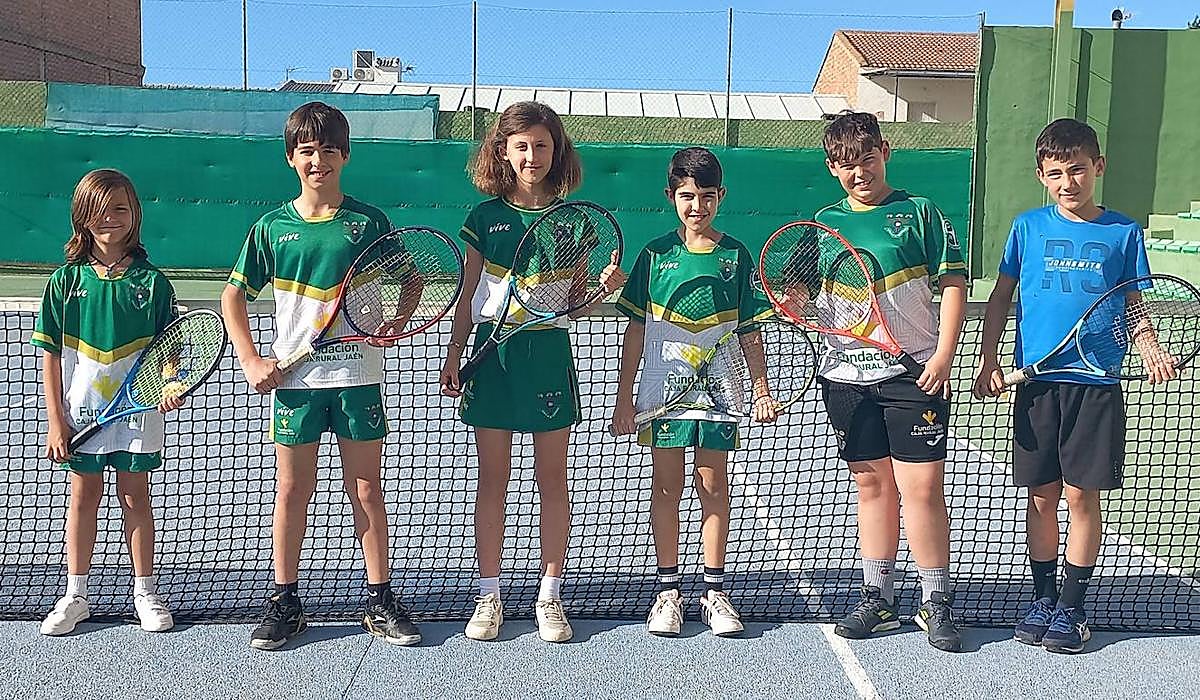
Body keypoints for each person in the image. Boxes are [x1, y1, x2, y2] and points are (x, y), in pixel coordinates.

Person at [220, 101, 419, 650]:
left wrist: (394, 323)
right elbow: (232, 296)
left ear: (345, 155)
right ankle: (285, 601)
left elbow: (410, 284)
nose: (318, 160)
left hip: (357, 380)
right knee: (291, 490)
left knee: (366, 490)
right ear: (290, 158)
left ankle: (380, 601)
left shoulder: (368, 223)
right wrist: (252, 359)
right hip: (295, 388)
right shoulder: (272, 228)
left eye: (328, 150)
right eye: (306, 151)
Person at [973, 117, 1175, 654]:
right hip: (1037, 386)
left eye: (1079, 170)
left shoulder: (1124, 233)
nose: (1069, 182)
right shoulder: (1027, 227)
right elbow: (1001, 298)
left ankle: (1073, 607)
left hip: (1096, 384)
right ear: (1042, 176)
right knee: (1042, 497)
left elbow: (1134, 304)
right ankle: (1042, 598)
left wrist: (1150, 346)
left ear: (1098, 168)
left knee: (1081, 496)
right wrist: (988, 358)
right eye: (1057, 173)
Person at [439, 101, 624, 643]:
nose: (532, 155)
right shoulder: (483, 219)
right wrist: (454, 355)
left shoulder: (573, 222)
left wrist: (603, 291)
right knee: (492, 478)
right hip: (490, 359)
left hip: (547, 357)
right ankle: (489, 595)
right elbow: (468, 295)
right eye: (520, 145)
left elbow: (575, 304)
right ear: (503, 152)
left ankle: (550, 594)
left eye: (542, 145)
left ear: (556, 151)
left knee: (551, 481)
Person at [815, 112, 968, 652]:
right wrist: (798, 306)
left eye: (867, 160)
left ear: (886, 151)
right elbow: (818, 301)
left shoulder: (920, 212)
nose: (860, 173)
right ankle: (878, 597)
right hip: (847, 378)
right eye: (847, 165)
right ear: (833, 168)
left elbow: (953, 282)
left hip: (915, 373)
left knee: (922, 490)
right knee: (872, 485)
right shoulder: (824, 223)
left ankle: (935, 599)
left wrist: (945, 355)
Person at [611, 146, 777, 637]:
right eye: (687, 196)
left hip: (722, 394)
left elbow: (750, 331)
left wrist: (763, 390)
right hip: (663, 395)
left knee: (713, 486)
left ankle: (713, 591)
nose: (696, 206)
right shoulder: (655, 255)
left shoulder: (736, 255)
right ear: (671, 197)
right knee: (667, 488)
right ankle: (667, 591)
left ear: (720, 197)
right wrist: (625, 398)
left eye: (706, 196)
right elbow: (635, 332)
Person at [34, 168, 181, 636]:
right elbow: (51, 357)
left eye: (120, 208)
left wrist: (171, 383)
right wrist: (57, 421)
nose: (110, 217)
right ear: (82, 216)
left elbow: (172, 349)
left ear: (134, 215)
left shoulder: (154, 283)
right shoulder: (64, 281)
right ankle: (76, 594)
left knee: (135, 495)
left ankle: (144, 592)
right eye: (99, 208)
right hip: (82, 413)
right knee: (83, 497)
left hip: (137, 413)